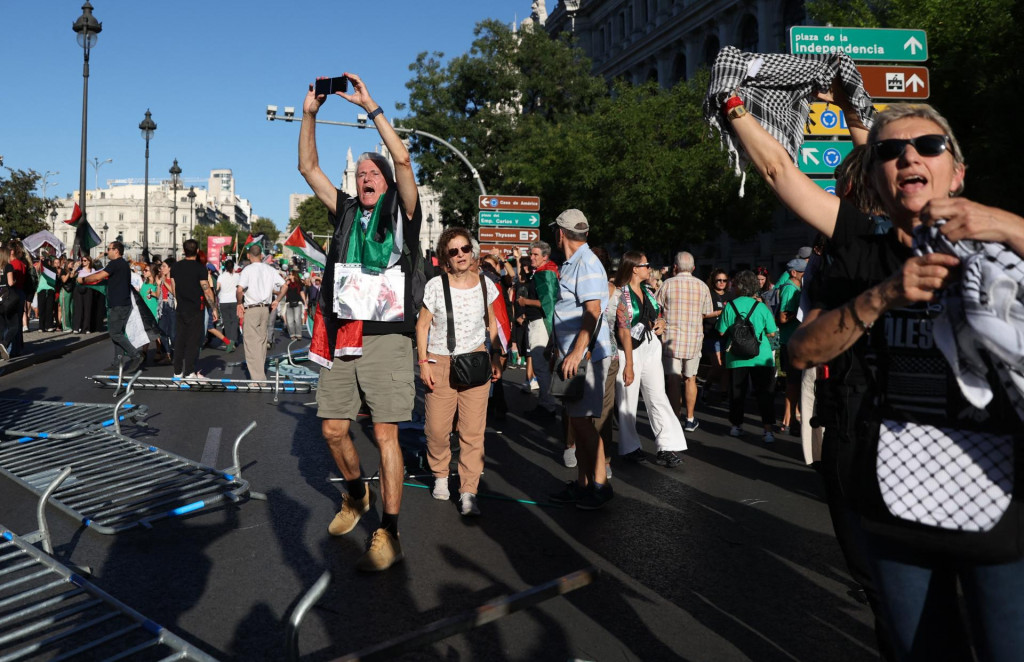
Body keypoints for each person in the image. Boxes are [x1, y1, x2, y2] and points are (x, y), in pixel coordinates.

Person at [731, 87, 1024, 658]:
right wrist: (884, 296)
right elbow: (798, 353)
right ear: (878, 179)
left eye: (929, 146)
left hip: (1001, 492)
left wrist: (1008, 224)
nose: (909, 157)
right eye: (891, 153)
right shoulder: (860, 251)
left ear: (957, 173)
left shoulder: (1003, 249)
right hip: (895, 495)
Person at [299, 72, 422, 571]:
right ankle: (356, 495)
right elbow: (308, 167)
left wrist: (371, 108)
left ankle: (388, 532)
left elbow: (404, 158)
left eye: (373, 173)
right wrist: (309, 113)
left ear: (386, 183)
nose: (365, 178)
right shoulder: (346, 211)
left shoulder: (404, 211)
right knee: (331, 429)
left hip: (388, 337)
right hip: (342, 334)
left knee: (387, 434)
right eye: (359, 174)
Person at [416, 227, 502, 517]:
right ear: (446, 257)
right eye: (454, 251)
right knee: (438, 430)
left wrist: (497, 357)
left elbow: (493, 324)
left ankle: (468, 490)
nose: (461, 255)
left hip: (476, 362)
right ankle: (441, 474)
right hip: (440, 361)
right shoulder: (435, 286)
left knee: (472, 432)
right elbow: (422, 326)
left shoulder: (486, 284)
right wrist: (423, 362)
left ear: (472, 251)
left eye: (465, 249)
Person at [546, 209, 615, 509]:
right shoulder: (577, 262)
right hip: (577, 355)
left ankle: (600, 485)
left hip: (586, 356)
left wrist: (575, 351)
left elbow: (593, 311)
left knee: (584, 425)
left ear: (560, 234)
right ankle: (585, 483)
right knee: (579, 421)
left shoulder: (586, 263)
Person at [613, 251, 687, 467]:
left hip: (649, 345)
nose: (649, 268)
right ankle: (630, 447)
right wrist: (629, 364)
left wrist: (661, 323)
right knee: (628, 400)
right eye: (646, 265)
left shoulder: (649, 291)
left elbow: (658, 315)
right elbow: (623, 331)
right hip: (629, 350)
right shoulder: (621, 294)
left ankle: (666, 447)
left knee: (657, 396)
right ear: (634, 268)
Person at [716, 270, 778, 443]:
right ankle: (767, 431)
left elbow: (721, 331)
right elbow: (772, 332)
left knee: (737, 393)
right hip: (761, 356)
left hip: (736, 356)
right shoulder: (761, 307)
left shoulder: (730, 306)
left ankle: (736, 426)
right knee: (765, 393)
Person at [658, 251, 714, 433]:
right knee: (691, 379)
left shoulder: (667, 284)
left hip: (671, 340)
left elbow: (656, 307)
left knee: (673, 380)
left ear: (675, 267)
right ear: (694, 268)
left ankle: (675, 417)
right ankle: (690, 418)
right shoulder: (702, 286)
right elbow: (706, 312)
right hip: (693, 339)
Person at [78, 241, 144, 373]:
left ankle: (135, 355)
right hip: (122, 303)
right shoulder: (123, 264)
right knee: (117, 332)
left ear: (116, 251)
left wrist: (83, 280)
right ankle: (117, 362)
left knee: (115, 333)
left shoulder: (115, 263)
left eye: (109, 249)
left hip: (119, 304)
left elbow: (99, 276)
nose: (107, 251)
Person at [519, 240, 560, 422]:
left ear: (545, 256)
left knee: (541, 367)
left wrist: (525, 302)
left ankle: (548, 405)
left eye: (535, 254)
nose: (531, 257)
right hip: (536, 322)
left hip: (540, 323)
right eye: (531, 253)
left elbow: (548, 303)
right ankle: (545, 402)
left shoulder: (546, 274)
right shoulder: (543, 272)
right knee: (540, 366)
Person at [168, 240, 220, 379]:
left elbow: (173, 288)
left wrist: (180, 300)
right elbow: (207, 290)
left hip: (180, 308)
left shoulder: (175, 267)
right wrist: (214, 308)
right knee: (193, 341)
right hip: (196, 308)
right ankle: (189, 371)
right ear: (197, 251)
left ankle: (177, 372)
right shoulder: (200, 268)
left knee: (180, 340)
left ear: (184, 251)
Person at [236, 244, 285, 381]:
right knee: (262, 341)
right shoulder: (269, 269)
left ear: (248, 256)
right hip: (265, 309)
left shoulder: (248, 270)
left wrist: (239, 303)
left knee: (251, 343)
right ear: (262, 255)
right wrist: (278, 300)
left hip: (252, 308)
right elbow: (285, 285)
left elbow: (240, 290)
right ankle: (259, 371)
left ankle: (258, 379)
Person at [775, 257, 806, 434]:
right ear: (794, 273)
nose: (804, 275)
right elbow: (783, 318)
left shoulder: (795, 287)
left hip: (794, 340)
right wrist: (800, 311)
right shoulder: (789, 289)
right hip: (790, 341)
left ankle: (791, 417)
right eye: (802, 272)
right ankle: (788, 419)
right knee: (793, 382)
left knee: (795, 381)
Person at [702, 268, 731, 400]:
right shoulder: (708, 295)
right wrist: (720, 312)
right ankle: (707, 385)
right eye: (718, 280)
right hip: (711, 333)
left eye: (724, 280)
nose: (721, 283)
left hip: (727, 334)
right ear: (713, 281)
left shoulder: (730, 296)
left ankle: (723, 392)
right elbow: (703, 314)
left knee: (725, 366)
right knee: (717, 365)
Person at [72, 255, 96, 334]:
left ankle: (86, 328)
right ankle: (76, 327)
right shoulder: (79, 269)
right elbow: (72, 276)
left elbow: (96, 279)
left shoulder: (92, 270)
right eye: (82, 260)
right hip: (79, 289)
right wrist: (74, 268)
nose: (83, 262)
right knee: (78, 309)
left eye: (85, 260)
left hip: (88, 289)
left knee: (87, 309)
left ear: (89, 261)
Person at [283, 270, 307, 339]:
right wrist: (286, 281)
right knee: (289, 320)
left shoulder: (299, 284)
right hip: (288, 302)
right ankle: (292, 334)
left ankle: (298, 334)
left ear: (294, 275)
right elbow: (282, 290)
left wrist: (305, 302)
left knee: (297, 319)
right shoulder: (287, 283)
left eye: (290, 274)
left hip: (297, 302)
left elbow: (302, 293)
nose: (289, 275)